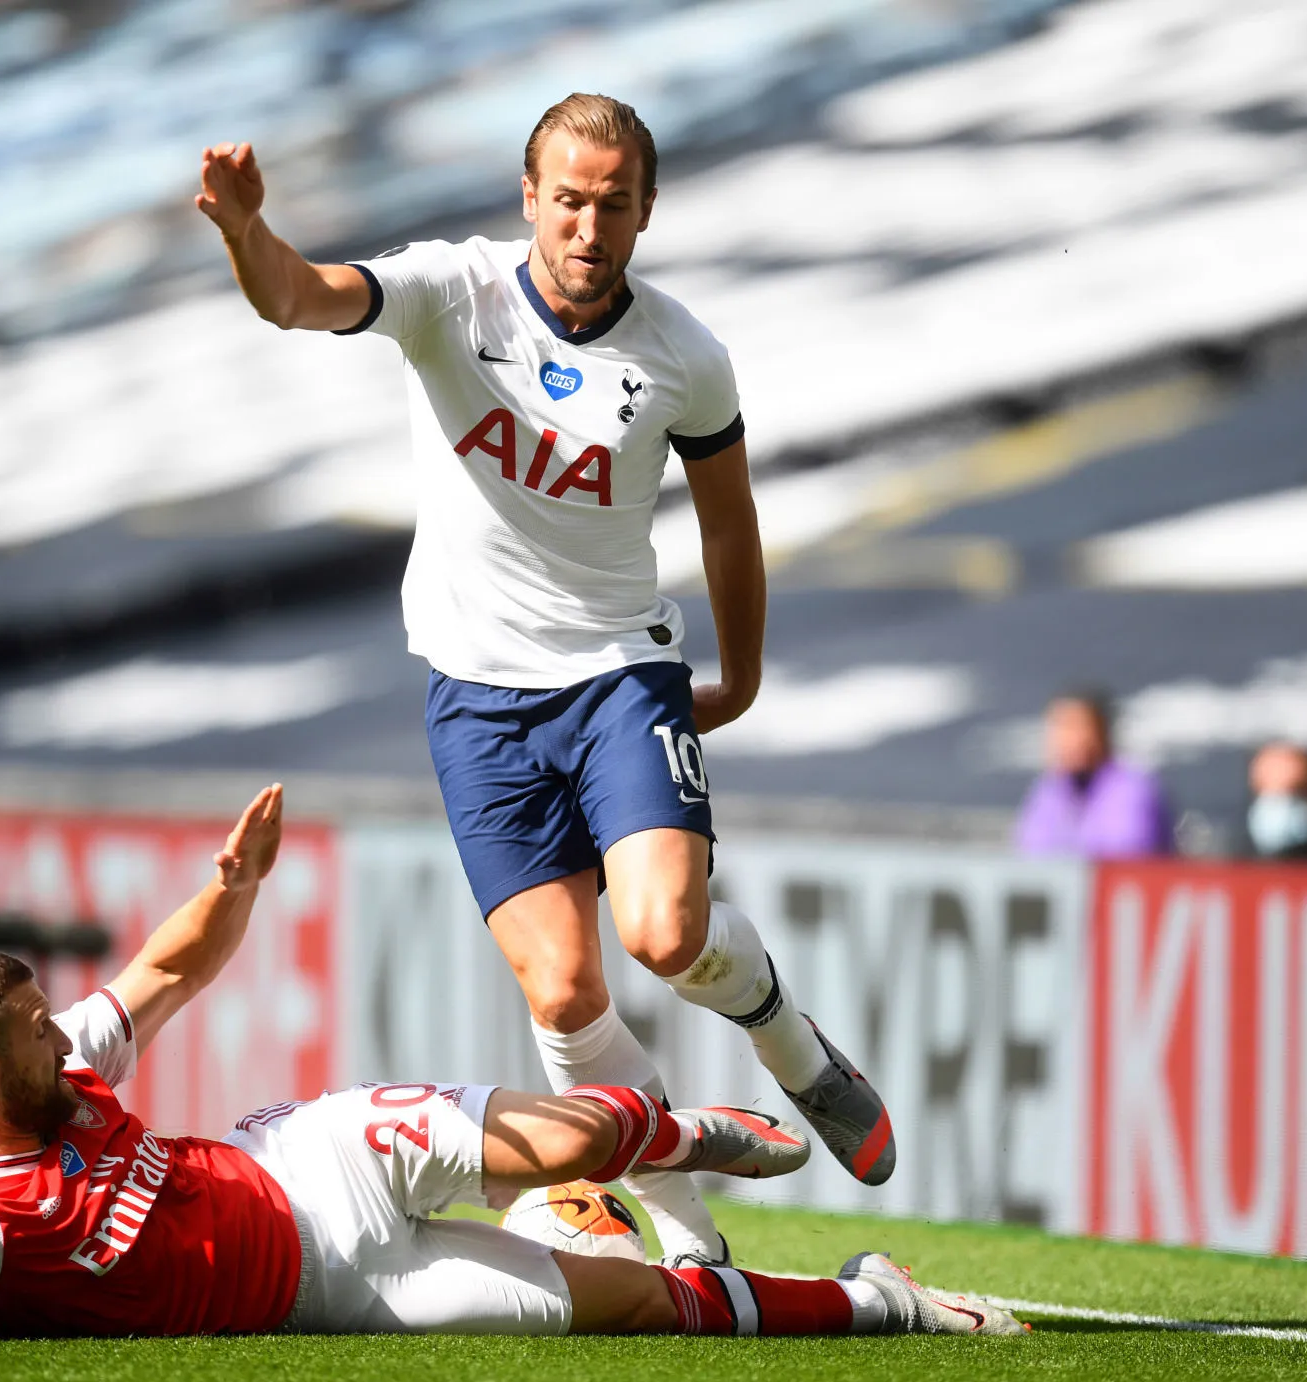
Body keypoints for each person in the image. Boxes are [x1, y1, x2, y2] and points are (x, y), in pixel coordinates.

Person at [193, 93, 892, 1267]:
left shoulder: (683, 355)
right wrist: (243, 231)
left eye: (613, 204)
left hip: (618, 669)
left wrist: (741, 676)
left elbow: (728, 523)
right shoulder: (448, 292)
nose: (587, 226)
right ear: (528, 198)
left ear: (646, 211)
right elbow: (298, 297)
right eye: (567, 199)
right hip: (475, 693)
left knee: (662, 933)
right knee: (564, 995)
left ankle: (789, 1044)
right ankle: (688, 1229)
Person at [0, 785, 1023, 1346]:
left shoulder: (62, 1077)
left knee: (570, 1135)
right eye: (36, 1027)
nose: (64, 1033)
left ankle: (667, 1137)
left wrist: (232, 886)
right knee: (641, 1307)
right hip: (332, 1295)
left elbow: (164, 969)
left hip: (308, 1158)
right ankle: (884, 1302)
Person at [1013, 689, 1174, 858]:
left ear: (1102, 732)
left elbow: (1127, 855)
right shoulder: (1048, 791)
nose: (1067, 739)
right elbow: (1030, 851)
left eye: (1076, 727)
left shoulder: (1134, 789)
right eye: (1059, 727)